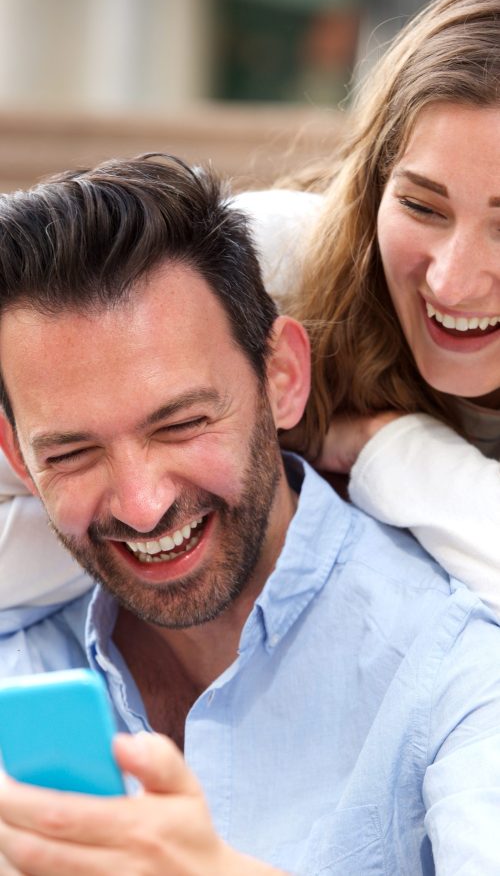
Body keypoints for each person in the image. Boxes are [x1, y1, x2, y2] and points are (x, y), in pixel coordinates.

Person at [0, 154, 499, 874]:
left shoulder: (458, 666)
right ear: (18, 457)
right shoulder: (20, 659)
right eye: (73, 453)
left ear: (283, 379)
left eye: (182, 424)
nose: (143, 506)